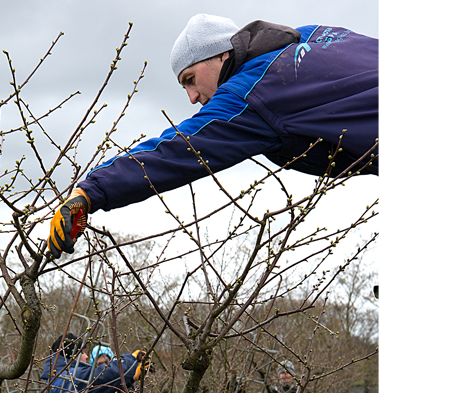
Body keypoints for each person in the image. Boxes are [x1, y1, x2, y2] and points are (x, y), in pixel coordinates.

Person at [47, 14, 377, 256]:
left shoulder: (252, 92)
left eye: (190, 79)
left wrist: (89, 193)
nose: (192, 96)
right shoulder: (317, 34)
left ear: (220, 55)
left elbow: (179, 150)